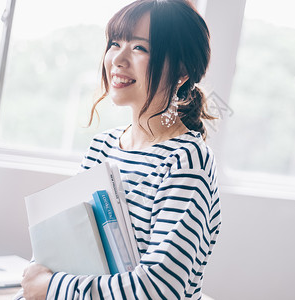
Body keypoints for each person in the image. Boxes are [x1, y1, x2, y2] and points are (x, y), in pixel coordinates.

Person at [19, 0, 221, 299]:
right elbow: (68, 245)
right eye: (115, 43)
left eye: (140, 48)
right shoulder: (101, 147)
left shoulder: (187, 162)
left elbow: (157, 289)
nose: (118, 59)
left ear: (182, 71)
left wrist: (51, 287)